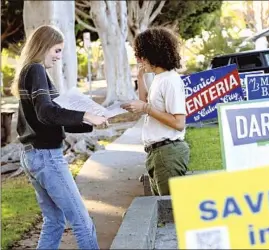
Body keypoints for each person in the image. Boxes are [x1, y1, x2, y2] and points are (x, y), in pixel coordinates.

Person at [11, 25, 106, 249]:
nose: (58, 57)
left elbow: (53, 119)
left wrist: (89, 121)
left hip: (32, 155)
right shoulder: (35, 70)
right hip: (46, 158)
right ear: (43, 46)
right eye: (56, 50)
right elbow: (47, 113)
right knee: (83, 222)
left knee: (53, 222)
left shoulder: (28, 71)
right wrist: (85, 114)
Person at [122, 27, 190, 196]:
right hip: (156, 153)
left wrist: (145, 108)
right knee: (160, 208)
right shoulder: (159, 79)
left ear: (153, 53)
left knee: (170, 209)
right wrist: (140, 78)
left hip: (167, 152)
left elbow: (178, 123)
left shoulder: (170, 81)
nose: (138, 59)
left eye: (141, 55)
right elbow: (146, 103)